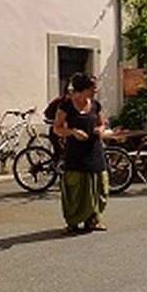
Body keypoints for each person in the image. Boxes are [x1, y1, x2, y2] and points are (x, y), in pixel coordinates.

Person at [53, 73, 109, 232]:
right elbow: (56, 128)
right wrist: (72, 132)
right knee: (76, 189)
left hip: (94, 150)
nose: (95, 91)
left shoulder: (96, 105)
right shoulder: (67, 106)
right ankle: (73, 222)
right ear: (82, 89)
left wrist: (100, 129)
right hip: (75, 153)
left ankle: (93, 220)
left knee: (99, 186)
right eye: (92, 88)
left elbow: (102, 123)